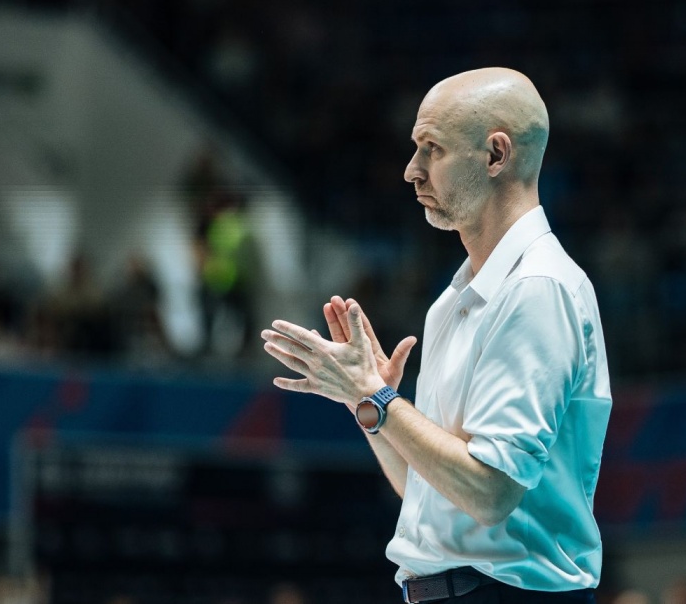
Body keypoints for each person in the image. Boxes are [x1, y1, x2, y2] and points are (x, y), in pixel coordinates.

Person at [262, 67, 612, 603]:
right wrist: (370, 406)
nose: (411, 171)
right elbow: (428, 487)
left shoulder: (536, 290)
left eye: (433, 149)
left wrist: (377, 397)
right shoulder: (455, 301)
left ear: (496, 155)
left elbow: (490, 492)